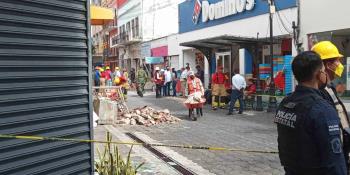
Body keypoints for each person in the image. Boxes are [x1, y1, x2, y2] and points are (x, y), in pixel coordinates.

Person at [275, 51, 346, 175]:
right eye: (323, 70)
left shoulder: (285, 103)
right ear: (319, 74)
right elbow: (334, 161)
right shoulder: (322, 109)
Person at [312, 41, 350, 171]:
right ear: (328, 65)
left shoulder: (329, 87)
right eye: (337, 61)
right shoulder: (319, 93)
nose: (340, 64)